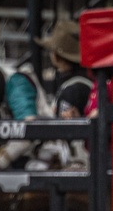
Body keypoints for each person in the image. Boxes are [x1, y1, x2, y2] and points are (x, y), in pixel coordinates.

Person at [33, 20, 93, 169]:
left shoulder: (72, 88)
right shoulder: (85, 81)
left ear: (56, 56)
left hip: (78, 161)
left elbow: (65, 131)